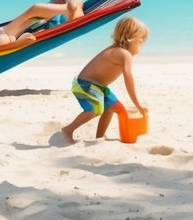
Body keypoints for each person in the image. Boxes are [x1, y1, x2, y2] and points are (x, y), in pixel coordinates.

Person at [59, 15, 148, 144]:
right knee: (94, 109)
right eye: (141, 39)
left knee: (114, 107)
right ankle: (67, 130)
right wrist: (137, 104)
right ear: (131, 37)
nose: (141, 43)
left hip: (98, 87)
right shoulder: (124, 54)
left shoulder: (116, 50)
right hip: (86, 85)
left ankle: (99, 137)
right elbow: (128, 79)